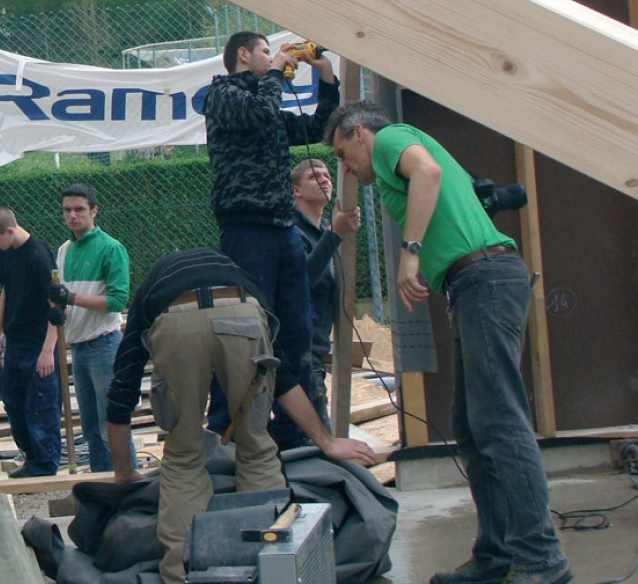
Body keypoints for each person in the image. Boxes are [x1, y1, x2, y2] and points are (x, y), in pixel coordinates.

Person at [327, 101, 572, 584]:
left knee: (499, 421)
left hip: (486, 279)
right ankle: (497, 555)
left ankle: (541, 557)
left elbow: (429, 172)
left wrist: (410, 253)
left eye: (342, 152)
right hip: (476, 283)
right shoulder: (388, 154)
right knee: (473, 424)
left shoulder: (392, 137)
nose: (345, 166)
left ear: (359, 133)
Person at [106, 246, 375, 583]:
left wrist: (124, 471)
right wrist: (327, 440)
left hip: (176, 320)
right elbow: (283, 377)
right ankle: (273, 569)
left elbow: (122, 389)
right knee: (256, 448)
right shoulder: (238, 274)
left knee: (184, 458)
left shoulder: (151, 289)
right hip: (243, 311)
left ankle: (182, 574)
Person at [203, 32, 340, 448]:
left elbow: (316, 128)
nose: (274, 57)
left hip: (282, 226)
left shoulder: (268, 98)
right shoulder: (222, 95)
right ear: (244, 55)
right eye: (265, 51)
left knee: (295, 329)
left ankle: (294, 428)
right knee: (246, 329)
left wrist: (326, 78)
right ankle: (225, 428)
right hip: (247, 227)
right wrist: (277, 73)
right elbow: (261, 113)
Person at [48, 183, 135, 472]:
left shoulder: (111, 249)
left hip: (104, 344)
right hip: (78, 347)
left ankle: (127, 484)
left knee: (111, 422)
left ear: (94, 211)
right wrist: (58, 309)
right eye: (67, 210)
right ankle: (102, 485)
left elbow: (117, 300)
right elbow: (59, 295)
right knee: (91, 429)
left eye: (79, 210)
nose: (73, 216)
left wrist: (72, 299)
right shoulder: (64, 250)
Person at [0, 205, 63, 478]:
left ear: (10, 231)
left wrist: (48, 350)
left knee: (41, 407)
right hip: (15, 342)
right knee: (13, 403)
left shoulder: (39, 257)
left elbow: (57, 306)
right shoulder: (6, 253)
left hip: (38, 344)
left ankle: (45, 465)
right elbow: (6, 291)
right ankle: (31, 458)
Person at [290, 158, 361, 431]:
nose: (324, 179)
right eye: (314, 176)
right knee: (317, 436)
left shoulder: (319, 235)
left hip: (315, 352)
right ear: (296, 190)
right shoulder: (293, 233)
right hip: (302, 353)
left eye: (328, 175)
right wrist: (334, 235)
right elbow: (302, 281)